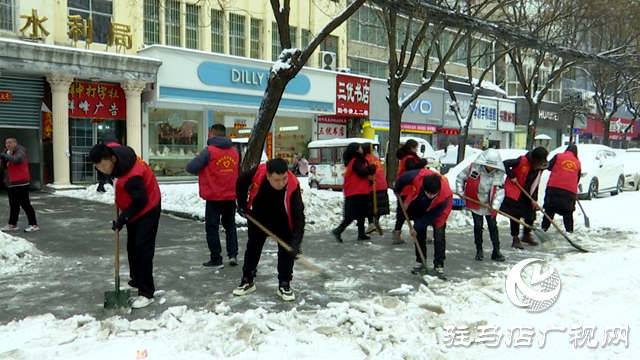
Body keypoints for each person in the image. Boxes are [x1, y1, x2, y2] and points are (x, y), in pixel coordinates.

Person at [89, 142, 161, 309]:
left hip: (148, 206)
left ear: (113, 159)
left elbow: (140, 201)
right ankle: (137, 279)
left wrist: (122, 219)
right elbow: (110, 141)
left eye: (103, 164)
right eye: (97, 165)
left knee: (142, 247)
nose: (101, 168)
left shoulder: (132, 176)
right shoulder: (112, 152)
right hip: (132, 205)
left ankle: (146, 292)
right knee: (132, 246)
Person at [233, 158, 305, 301]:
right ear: (267, 175)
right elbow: (241, 181)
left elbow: (298, 217)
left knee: (286, 251)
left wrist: (296, 243)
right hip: (259, 217)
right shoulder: (257, 173)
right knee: (253, 248)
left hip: (283, 219)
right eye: (277, 180)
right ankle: (248, 280)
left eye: (284, 178)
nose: (281, 183)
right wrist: (242, 204)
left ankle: (284, 284)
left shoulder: (292, 186)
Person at [186, 124, 240, 269]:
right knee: (230, 226)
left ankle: (216, 258)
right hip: (230, 196)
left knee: (212, 227)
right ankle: (233, 254)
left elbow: (190, 167)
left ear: (212, 134)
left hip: (214, 196)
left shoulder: (209, 151)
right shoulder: (234, 152)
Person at [395, 169, 452, 275]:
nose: (431, 196)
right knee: (419, 234)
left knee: (439, 235)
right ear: (423, 188)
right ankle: (420, 261)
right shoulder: (417, 178)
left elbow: (432, 215)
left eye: (434, 194)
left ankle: (439, 265)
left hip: (439, 212)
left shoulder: (445, 196)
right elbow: (402, 179)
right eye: (428, 193)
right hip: (420, 205)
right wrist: (397, 190)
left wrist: (416, 227)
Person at [456, 149, 506, 262]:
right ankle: (479, 250)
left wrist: (494, 206)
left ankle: (496, 251)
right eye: (488, 165)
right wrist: (461, 193)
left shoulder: (498, 175)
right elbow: (460, 178)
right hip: (476, 202)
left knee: (493, 227)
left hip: (489, 205)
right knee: (478, 227)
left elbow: (500, 191)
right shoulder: (473, 168)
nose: (490, 168)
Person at [501, 147, 549, 249]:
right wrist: (512, 175)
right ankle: (515, 238)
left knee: (531, 214)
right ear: (534, 159)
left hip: (528, 193)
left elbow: (536, 184)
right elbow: (504, 163)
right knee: (515, 216)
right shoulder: (522, 160)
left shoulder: (539, 169)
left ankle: (526, 235)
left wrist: (534, 199)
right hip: (516, 191)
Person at [331, 143, 376, 242]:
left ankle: (361, 233)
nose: (361, 149)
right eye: (359, 148)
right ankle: (338, 230)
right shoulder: (355, 161)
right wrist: (370, 169)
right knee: (351, 215)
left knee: (361, 213)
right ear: (356, 150)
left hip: (359, 190)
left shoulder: (356, 160)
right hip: (355, 191)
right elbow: (361, 172)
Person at [393, 140, 428, 244]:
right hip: (407, 189)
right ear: (411, 148)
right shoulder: (409, 158)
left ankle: (398, 234)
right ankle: (419, 234)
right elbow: (411, 169)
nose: (417, 149)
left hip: (408, 189)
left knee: (404, 213)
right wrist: (421, 163)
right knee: (410, 212)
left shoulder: (407, 157)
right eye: (416, 147)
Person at [0, 137, 39, 232]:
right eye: (6, 143)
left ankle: (33, 224)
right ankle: (12, 224)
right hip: (12, 182)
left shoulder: (20, 150)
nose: (7, 144)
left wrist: (5, 156)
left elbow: (19, 160)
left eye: (10, 142)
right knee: (13, 205)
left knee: (25, 204)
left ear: (15, 143)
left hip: (21, 182)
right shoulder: (8, 152)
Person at [542, 144, 581, 233]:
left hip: (554, 188)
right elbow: (577, 179)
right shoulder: (577, 163)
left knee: (549, 210)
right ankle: (569, 231)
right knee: (568, 212)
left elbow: (549, 167)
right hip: (569, 192)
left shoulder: (558, 156)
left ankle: (544, 228)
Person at [362, 143, 390, 234]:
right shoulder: (375, 158)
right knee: (379, 206)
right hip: (382, 184)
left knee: (370, 206)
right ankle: (375, 222)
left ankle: (371, 223)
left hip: (373, 185)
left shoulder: (366, 160)